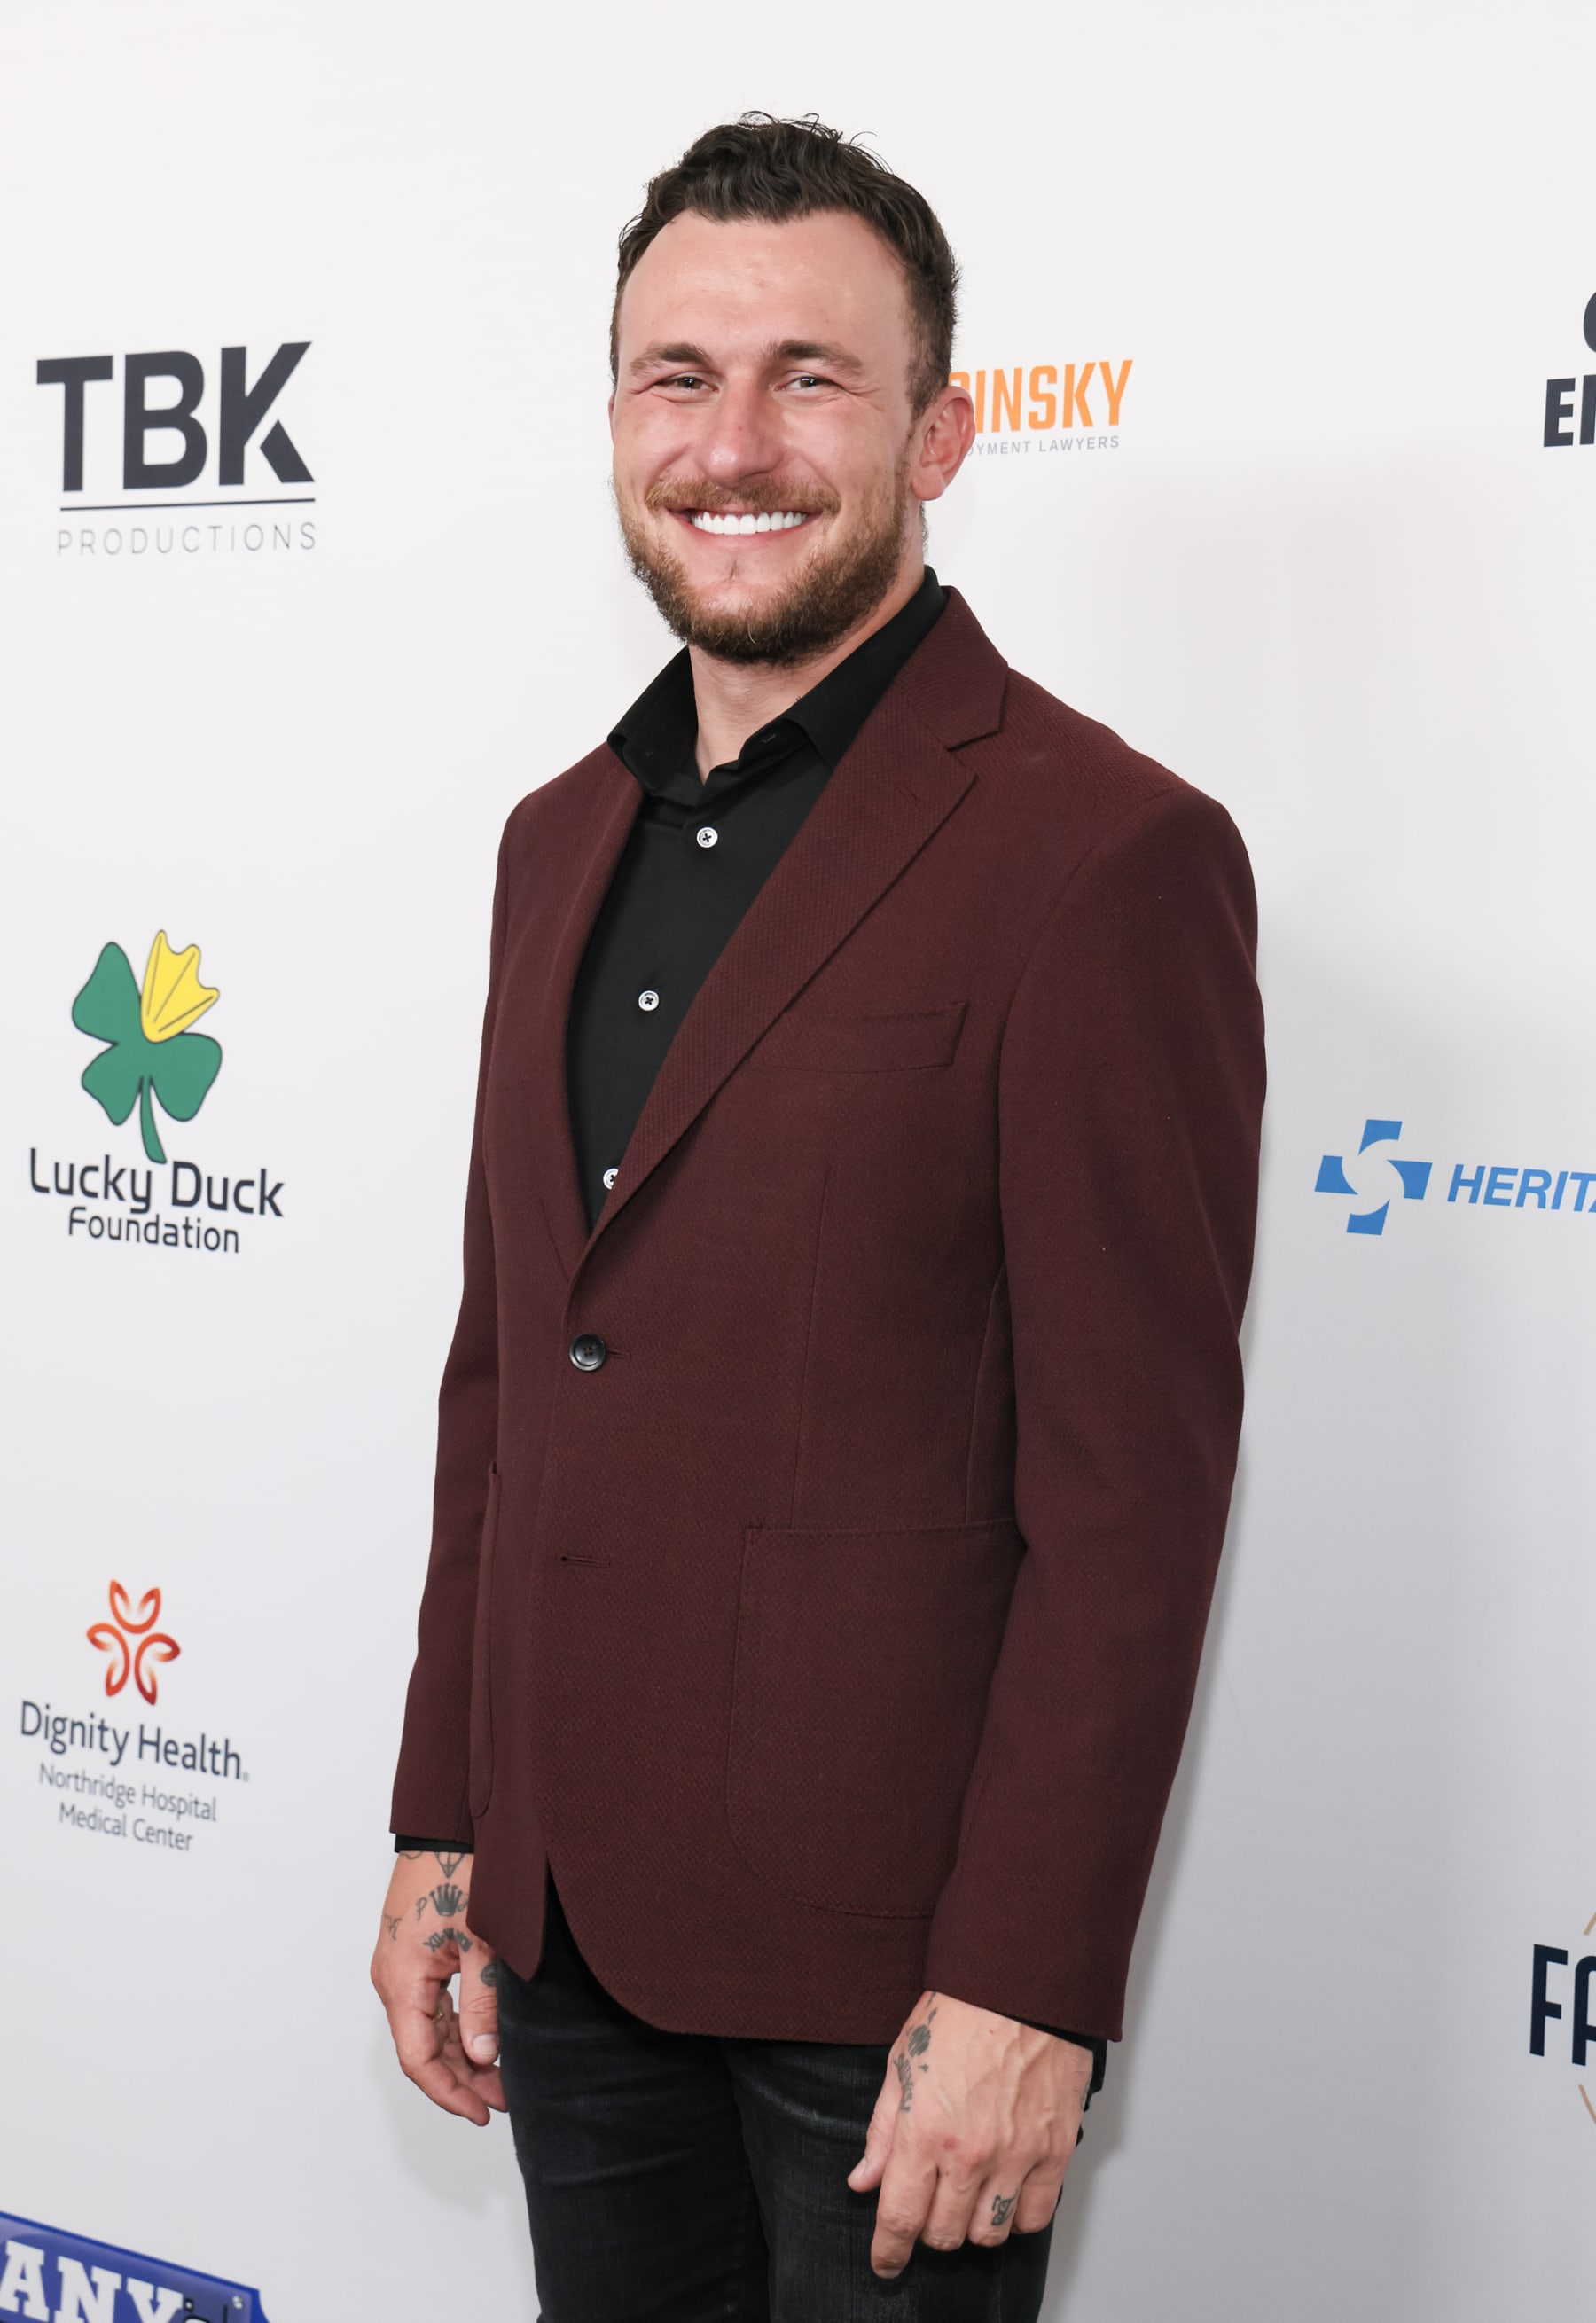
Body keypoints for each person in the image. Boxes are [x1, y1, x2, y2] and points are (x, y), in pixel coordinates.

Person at [372, 113, 1265, 2322]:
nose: (733, 442)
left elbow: (1132, 1497)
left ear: (942, 432)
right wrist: (442, 1818)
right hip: (568, 1937)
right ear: (613, 421)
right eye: (678, 376)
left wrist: (1028, 1984)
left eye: (810, 377)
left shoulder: (1104, 852)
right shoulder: (548, 840)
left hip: (895, 2004)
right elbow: (514, 1360)